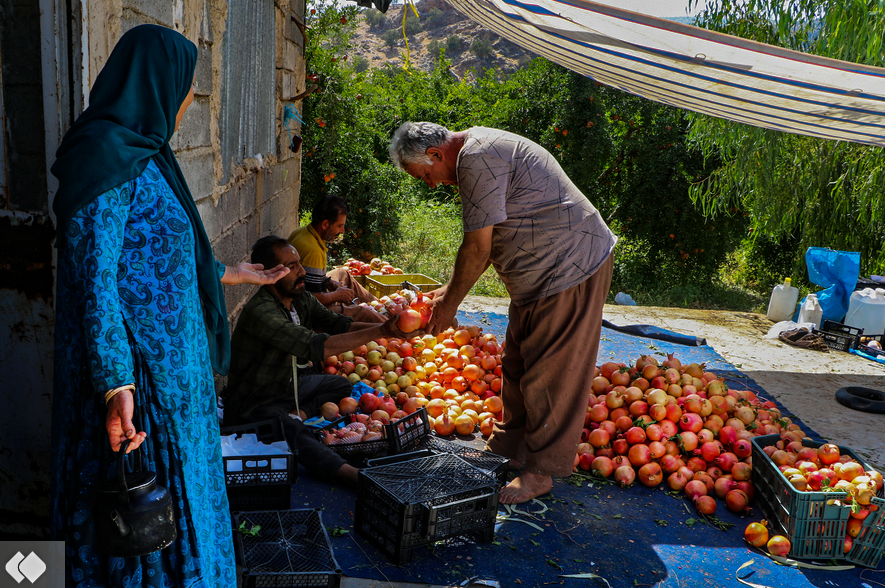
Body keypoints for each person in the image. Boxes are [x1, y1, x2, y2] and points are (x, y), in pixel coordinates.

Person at [49, 25, 288, 588]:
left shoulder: (150, 156)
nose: (187, 105)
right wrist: (116, 383)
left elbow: (165, 258)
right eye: (184, 90)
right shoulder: (101, 158)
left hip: (176, 385)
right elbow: (97, 281)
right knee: (143, 521)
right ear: (153, 85)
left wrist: (231, 274)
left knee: (179, 515)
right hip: (139, 388)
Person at [388, 122, 617, 504]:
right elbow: (485, 243)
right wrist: (448, 290)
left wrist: (450, 305)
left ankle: (540, 473)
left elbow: (478, 247)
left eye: (425, 175)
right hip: (538, 275)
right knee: (517, 363)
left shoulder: (477, 158)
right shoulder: (475, 153)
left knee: (550, 374)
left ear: (435, 154)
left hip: (569, 266)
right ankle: (510, 448)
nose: (430, 184)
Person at [223, 236, 415, 486]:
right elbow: (318, 346)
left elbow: (338, 325)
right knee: (294, 433)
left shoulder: (300, 298)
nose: (302, 272)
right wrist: (381, 331)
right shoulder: (262, 313)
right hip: (253, 405)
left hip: (285, 390)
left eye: (299, 264)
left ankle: (299, 412)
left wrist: (389, 327)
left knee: (340, 386)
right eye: (292, 267)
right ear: (270, 274)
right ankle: (349, 474)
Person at [288, 195, 383, 322]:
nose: (342, 231)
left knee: (342, 273)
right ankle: (386, 324)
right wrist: (336, 295)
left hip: (306, 297)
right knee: (360, 312)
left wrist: (329, 282)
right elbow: (312, 300)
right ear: (325, 224)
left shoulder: (302, 232)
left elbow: (309, 279)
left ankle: (380, 306)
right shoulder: (313, 250)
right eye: (339, 226)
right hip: (306, 312)